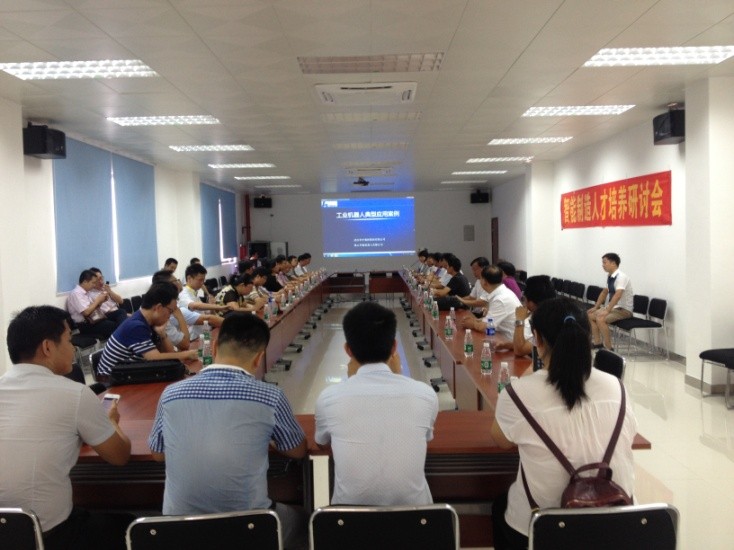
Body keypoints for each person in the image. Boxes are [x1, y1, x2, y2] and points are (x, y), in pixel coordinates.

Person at [148, 313, 307, 548]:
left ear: (213, 347)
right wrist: (268, 438)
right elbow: (297, 450)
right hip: (248, 529)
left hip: (179, 530)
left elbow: (158, 454)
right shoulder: (270, 397)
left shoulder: (171, 394)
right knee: (304, 521)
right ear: (259, 358)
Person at [490, 297, 636, 549]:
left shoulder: (518, 393)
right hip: (618, 526)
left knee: (499, 507)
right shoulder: (616, 386)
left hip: (543, 531)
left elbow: (501, 441)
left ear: (537, 339)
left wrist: (531, 373)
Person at [0, 306, 132, 550]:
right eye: (69, 340)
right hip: (48, 536)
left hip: (7, 532)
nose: (73, 349)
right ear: (48, 347)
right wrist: (112, 422)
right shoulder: (75, 394)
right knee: (125, 526)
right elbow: (119, 456)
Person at [314, 302, 439, 506]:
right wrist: (397, 376)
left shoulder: (328, 398)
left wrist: (353, 381)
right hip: (417, 519)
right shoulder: (425, 395)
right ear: (394, 347)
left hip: (349, 520)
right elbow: (424, 437)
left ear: (348, 350)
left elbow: (322, 442)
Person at [97, 283, 199, 376]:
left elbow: (167, 355)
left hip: (129, 374)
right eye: (170, 311)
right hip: (112, 380)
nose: (170, 315)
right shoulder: (136, 326)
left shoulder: (149, 322)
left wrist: (163, 334)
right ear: (158, 308)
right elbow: (153, 358)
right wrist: (185, 354)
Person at [151, 270, 222, 349]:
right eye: (176, 280)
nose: (179, 282)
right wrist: (222, 308)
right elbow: (185, 344)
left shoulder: (190, 295)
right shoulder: (174, 308)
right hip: (190, 341)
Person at [496, 275, 556, 357]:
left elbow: (519, 350)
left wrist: (519, 320)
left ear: (531, 302)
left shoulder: (547, 322)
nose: (524, 304)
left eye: (524, 299)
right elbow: (530, 345)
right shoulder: (551, 313)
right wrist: (508, 345)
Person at [587, 253, 634, 350]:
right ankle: (598, 343)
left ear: (613, 263)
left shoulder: (621, 277)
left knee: (600, 318)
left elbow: (618, 295)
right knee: (590, 314)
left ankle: (609, 347)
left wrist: (607, 310)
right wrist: (596, 307)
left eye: (605, 262)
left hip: (624, 310)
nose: (603, 265)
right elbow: (604, 292)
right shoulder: (610, 276)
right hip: (614, 308)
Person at [460, 265, 522, 339]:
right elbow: (491, 319)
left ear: (484, 282)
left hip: (511, 340)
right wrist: (475, 320)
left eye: (480, 278)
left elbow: (486, 326)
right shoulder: (501, 292)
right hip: (506, 336)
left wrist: (472, 324)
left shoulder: (500, 299)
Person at [66, 269, 117, 339]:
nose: (94, 285)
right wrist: (98, 300)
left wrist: (101, 301)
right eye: (93, 283)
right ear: (85, 282)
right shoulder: (76, 294)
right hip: (85, 325)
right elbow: (86, 312)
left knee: (119, 315)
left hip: (94, 320)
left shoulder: (86, 293)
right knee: (113, 326)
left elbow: (93, 309)